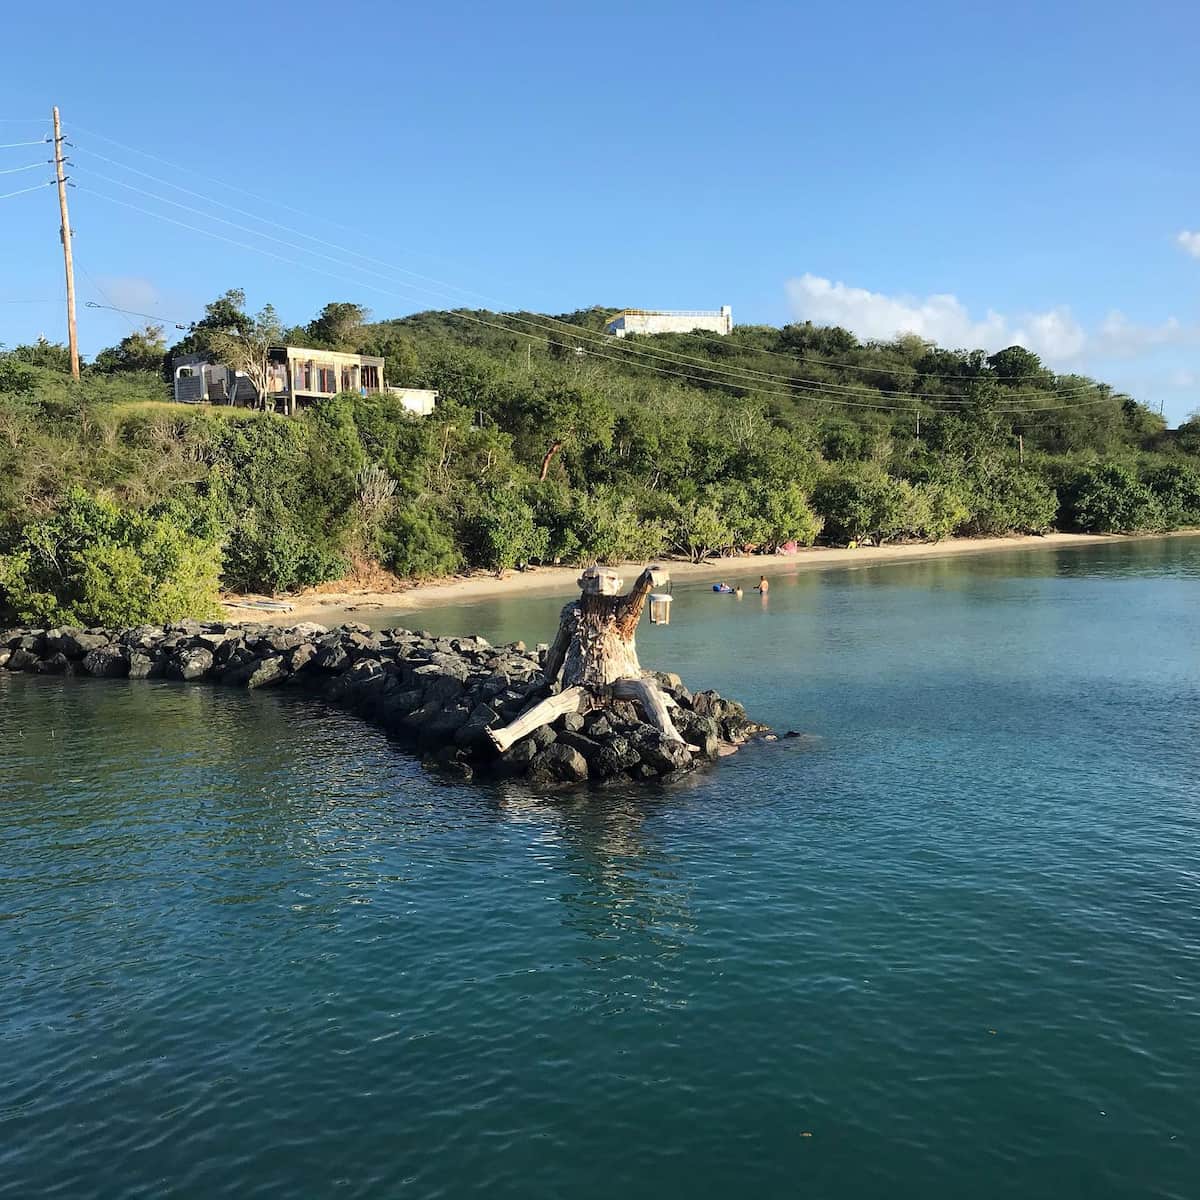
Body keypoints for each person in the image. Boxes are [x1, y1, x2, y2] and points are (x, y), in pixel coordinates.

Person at [486, 564, 685, 753]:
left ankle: (673, 737)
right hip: (582, 685)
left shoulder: (620, 613)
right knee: (552, 704)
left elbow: (636, 600)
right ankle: (507, 735)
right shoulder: (572, 614)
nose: (600, 583)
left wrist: (646, 580)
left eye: (609, 579)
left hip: (619, 681)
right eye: (592, 578)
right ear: (582, 584)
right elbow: (558, 650)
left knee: (647, 686)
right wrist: (548, 680)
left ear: (618, 584)